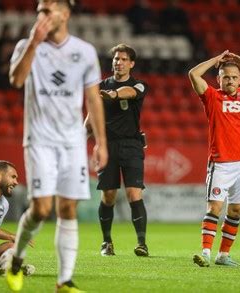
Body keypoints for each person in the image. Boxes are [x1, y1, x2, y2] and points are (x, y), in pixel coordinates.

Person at [5, 0, 108, 292]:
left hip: (73, 141)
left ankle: (64, 281)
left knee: (68, 209)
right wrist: (34, 44)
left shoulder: (84, 51)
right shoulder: (28, 45)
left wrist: (100, 142)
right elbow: (16, 79)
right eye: (39, 10)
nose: (42, 16)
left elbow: (93, 99)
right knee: (40, 208)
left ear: (65, 14)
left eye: (47, 10)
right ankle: (17, 259)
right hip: (40, 139)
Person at [188, 50, 240, 267]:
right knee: (214, 208)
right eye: (226, 77)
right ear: (219, 79)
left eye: (235, 77)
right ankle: (205, 252)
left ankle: (223, 255)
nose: (231, 80)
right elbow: (194, 74)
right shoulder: (211, 96)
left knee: (236, 210)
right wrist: (216, 60)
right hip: (220, 164)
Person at [85, 44, 149, 257]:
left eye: (123, 59)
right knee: (109, 196)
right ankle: (107, 242)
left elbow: (128, 92)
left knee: (133, 193)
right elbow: (91, 118)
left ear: (131, 63)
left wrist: (112, 94)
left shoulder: (138, 85)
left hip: (131, 145)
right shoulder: (101, 86)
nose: (118, 62)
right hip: (107, 146)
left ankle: (141, 243)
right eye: (116, 59)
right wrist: (79, 138)